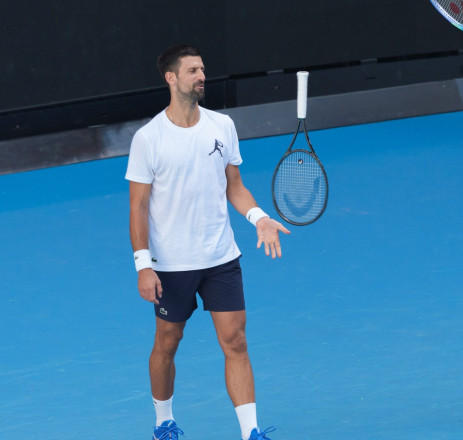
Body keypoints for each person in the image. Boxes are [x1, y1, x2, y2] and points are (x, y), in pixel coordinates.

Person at [126, 44, 290, 439]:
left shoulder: (222, 126)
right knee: (168, 342)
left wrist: (259, 217)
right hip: (171, 264)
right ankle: (163, 421)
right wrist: (143, 265)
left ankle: (251, 432)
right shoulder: (148, 138)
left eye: (202, 69)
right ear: (172, 78)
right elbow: (138, 207)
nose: (202, 76)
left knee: (235, 340)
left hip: (220, 257)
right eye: (193, 71)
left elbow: (235, 187)